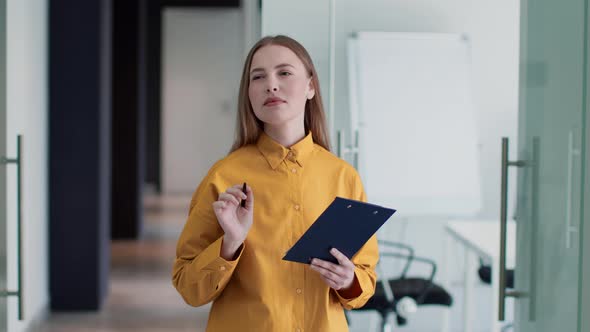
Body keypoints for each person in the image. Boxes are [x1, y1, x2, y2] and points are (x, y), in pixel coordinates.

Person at [172, 35, 378, 331]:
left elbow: (365, 279)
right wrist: (230, 244)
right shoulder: (223, 177)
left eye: (284, 73)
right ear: (249, 94)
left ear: (310, 87)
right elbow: (188, 287)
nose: (271, 84)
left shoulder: (344, 177)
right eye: (258, 77)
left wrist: (348, 281)